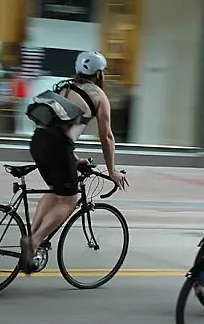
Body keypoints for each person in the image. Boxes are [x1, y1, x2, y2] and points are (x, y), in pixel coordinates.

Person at [22, 51, 129, 274]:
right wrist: (112, 171)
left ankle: (31, 236)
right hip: (57, 148)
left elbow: (56, 128)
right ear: (99, 73)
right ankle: (34, 242)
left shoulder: (64, 87)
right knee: (68, 202)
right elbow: (106, 136)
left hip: (38, 143)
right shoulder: (98, 95)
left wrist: (75, 159)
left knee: (56, 190)